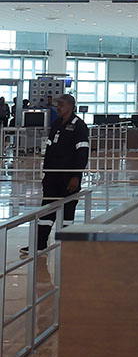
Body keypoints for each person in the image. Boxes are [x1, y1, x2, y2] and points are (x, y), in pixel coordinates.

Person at [21, 94, 89, 255]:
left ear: (71, 106)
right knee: (46, 211)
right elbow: (50, 150)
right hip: (53, 177)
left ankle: (68, 245)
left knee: (67, 213)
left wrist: (76, 176)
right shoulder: (57, 124)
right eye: (58, 104)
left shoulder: (79, 126)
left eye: (62, 104)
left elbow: (82, 153)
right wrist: (46, 173)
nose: (58, 107)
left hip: (68, 177)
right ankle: (39, 244)